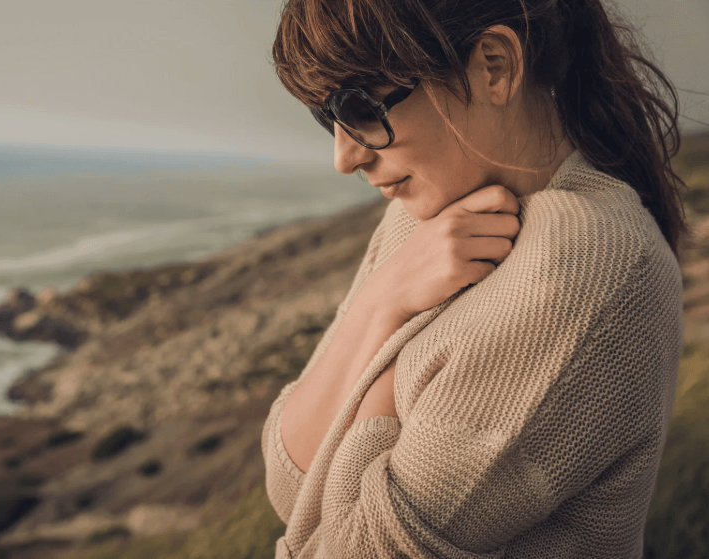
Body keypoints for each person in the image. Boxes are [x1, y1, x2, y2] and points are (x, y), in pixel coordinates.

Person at [260, 0, 689, 557]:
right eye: (328, 115)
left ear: (494, 66)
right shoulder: (426, 218)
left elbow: (347, 546)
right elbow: (287, 485)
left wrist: (379, 380)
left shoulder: (591, 268)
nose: (344, 156)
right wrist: (382, 300)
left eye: (360, 107)